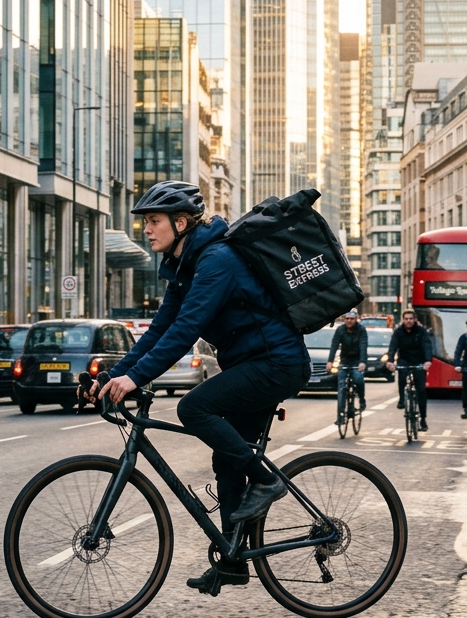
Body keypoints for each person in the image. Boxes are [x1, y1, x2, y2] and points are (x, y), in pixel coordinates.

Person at [83, 180, 310, 593]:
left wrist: (135, 379)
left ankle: (266, 480)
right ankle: (233, 561)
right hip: (251, 364)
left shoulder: (216, 261)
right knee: (227, 460)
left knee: (193, 409)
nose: (146, 229)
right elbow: (158, 331)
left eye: (153, 221)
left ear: (182, 222)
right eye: (145, 222)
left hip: (276, 363)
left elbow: (185, 330)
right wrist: (111, 374)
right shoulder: (186, 268)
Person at [386, 309, 434, 431]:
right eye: (406, 319)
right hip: (404, 360)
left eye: (411, 319)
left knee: (421, 390)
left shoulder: (421, 331)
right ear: (403, 320)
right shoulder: (398, 332)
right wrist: (390, 360)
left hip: (419, 361)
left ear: (415, 320)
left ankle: (423, 419)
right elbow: (393, 346)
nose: (408, 321)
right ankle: (402, 399)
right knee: (402, 376)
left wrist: (428, 360)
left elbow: (427, 345)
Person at [329, 310, 369, 423]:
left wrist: (362, 362)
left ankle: (362, 400)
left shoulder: (361, 330)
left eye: (351, 319)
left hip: (357, 361)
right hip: (345, 361)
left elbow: (363, 346)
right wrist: (330, 361)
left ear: (356, 320)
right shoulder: (340, 330)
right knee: (341, 388)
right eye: (347, 318)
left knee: (358, 379)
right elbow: (334, 345)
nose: (349, 321)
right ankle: (340, 417)